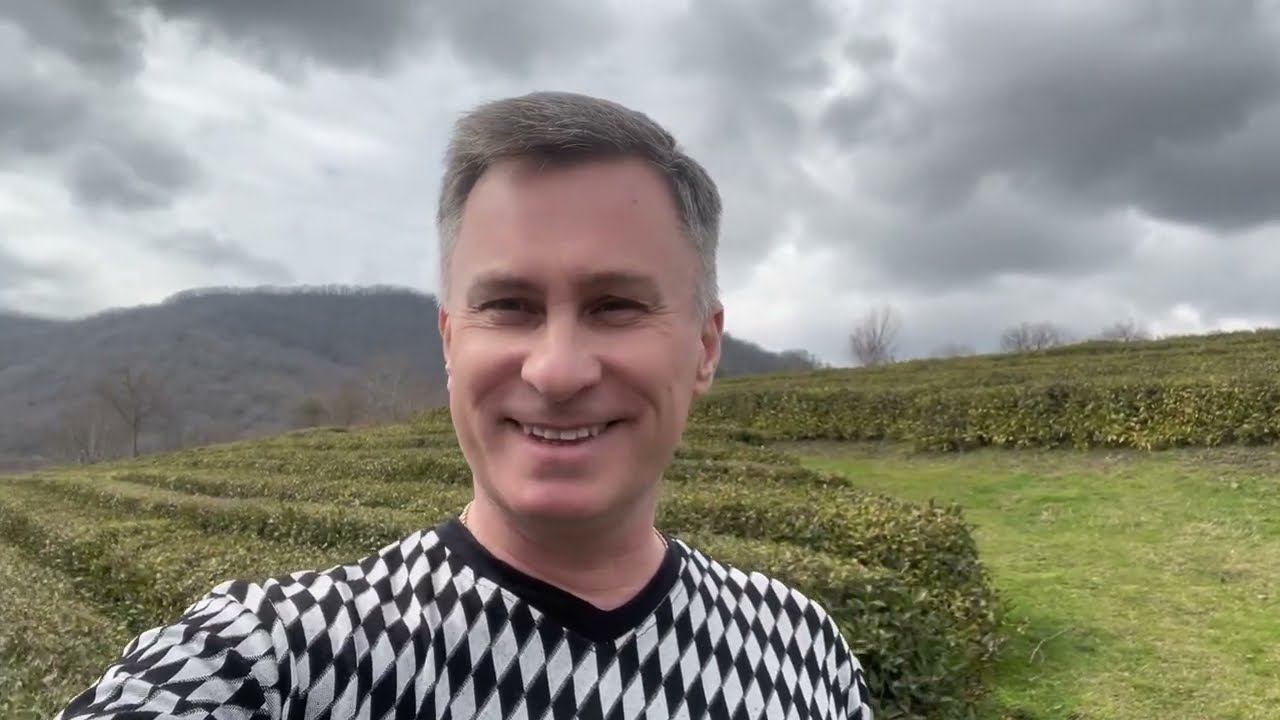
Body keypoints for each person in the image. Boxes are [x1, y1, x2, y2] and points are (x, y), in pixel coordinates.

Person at [57, 91, 873, 720]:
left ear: (705, 347)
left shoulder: (801, 649)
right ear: (451, 342)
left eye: (616, 306)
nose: (557, 370)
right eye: (510, 306)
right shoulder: (273, 658)